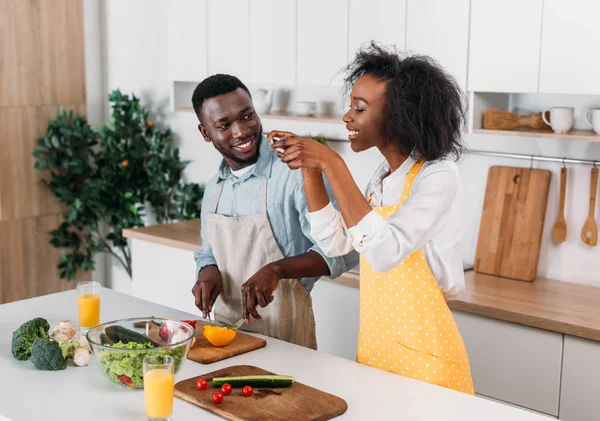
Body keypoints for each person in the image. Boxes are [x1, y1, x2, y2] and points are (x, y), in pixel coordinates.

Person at [269, 43, 474, 393]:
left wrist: (332, 163)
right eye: (350, 106)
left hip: (424, 354)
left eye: (359, 108)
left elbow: (383, 252)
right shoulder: (381, 177)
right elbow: (335, 243)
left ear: (400, 116)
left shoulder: (438, 175)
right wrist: (310, 169)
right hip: (379, 346)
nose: (347, 116)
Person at [191, 74, 358, 349]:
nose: (241, 131)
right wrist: (207, 272)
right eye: (224, 125)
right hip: (226, 339)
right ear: (206, 132)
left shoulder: (297, 171)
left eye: (247, 116)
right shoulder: (214, 189)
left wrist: (277, 269)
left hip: (288, 337)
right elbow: (207, 254)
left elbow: (342, 252)